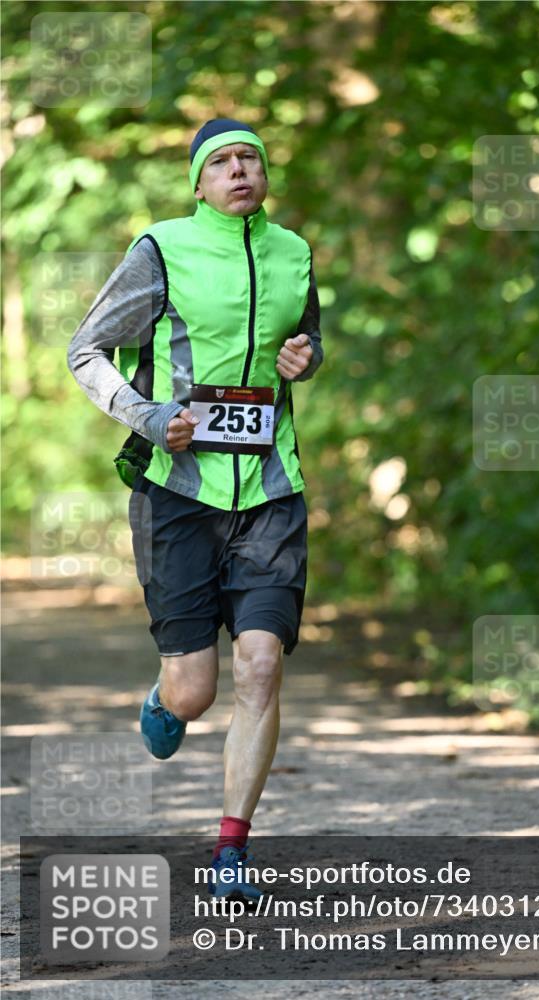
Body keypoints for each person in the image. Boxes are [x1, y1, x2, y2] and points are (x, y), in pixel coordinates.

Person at [67, 118, 323, 901]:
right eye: (222, 162)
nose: (239, 170)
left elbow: (305, 341)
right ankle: (162, 696)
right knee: (194, 691)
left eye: (250, 158)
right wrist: (147, 417)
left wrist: (305, 358)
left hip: (272, 491)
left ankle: (230, 853)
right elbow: (86, 350)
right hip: (180, 493)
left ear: (265, 173)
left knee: (262, 664)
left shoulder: (294, 252)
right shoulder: (161, 249)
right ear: (199, 182)